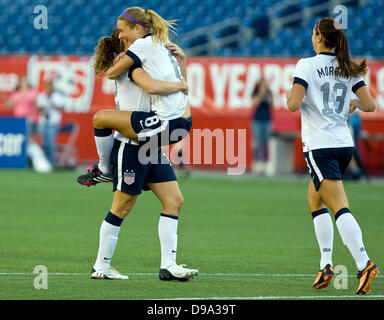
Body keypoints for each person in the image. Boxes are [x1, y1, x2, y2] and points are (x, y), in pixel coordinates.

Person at [81, 29, 198, 281]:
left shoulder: (137, 64)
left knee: (174, 200)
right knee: (122, 206)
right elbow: (157, 88)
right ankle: (100, 266)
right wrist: (179, 78)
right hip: (131, 146)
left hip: (149, 146)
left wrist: (182, 66)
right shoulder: (134, 69)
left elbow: (178, 94)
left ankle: (169, 265)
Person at [286, 17, 379, 295]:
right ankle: (325, 264)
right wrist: (350, 102)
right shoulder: (347, 66)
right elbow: (370, 105)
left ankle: (364, 262)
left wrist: (288, 97)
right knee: (314, 199)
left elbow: (293, 104)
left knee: (339, 205)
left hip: (320, 146)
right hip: (343, 145)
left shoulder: (306, 64)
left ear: (318, 37)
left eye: (313, 33)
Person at [79, 6, 191, 186]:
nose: (123, 36)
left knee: (172, 202)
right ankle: (109, 168)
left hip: (142, 131)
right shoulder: (137, 63)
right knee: (130, 206)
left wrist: (181, 72)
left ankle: (104, 167)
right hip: (141, 133)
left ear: (137, 29)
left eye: (123, 31)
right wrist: (181, 82)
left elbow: (157, 86)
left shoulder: (139, 54)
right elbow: (155, 87)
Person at [36, 79, 65, 166]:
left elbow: (61, 108)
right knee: (44, 143)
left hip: (53, 122)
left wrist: (52, 104)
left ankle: (51, 163)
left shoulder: (57, 96)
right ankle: (45, 163)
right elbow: (38, 110)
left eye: (49, 86)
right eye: (46, 86)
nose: (48, 88)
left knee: (50, 143)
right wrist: (43, 107)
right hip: (43, 122)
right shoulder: (41, 96)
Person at [2, 76, 39, 143]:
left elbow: (37, 105)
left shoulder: (33, 92)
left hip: (29, 118)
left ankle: (28, 149)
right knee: (20, 137)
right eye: (22, 81)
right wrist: (6, 100)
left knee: (28, 137)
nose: (24, 83)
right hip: (18, 119)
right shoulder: (16, 93)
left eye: (25, 81)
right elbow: (10, 106)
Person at [251, 77, 273, 175]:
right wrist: (261, 94)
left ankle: (264, 163)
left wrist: (266, 95)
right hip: (257, 120)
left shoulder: (269, 93)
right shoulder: (256, 93)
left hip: (267, 120)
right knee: (257, 141)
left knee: (265, 142)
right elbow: (255, 104)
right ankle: (256, 162)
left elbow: (272, 104)